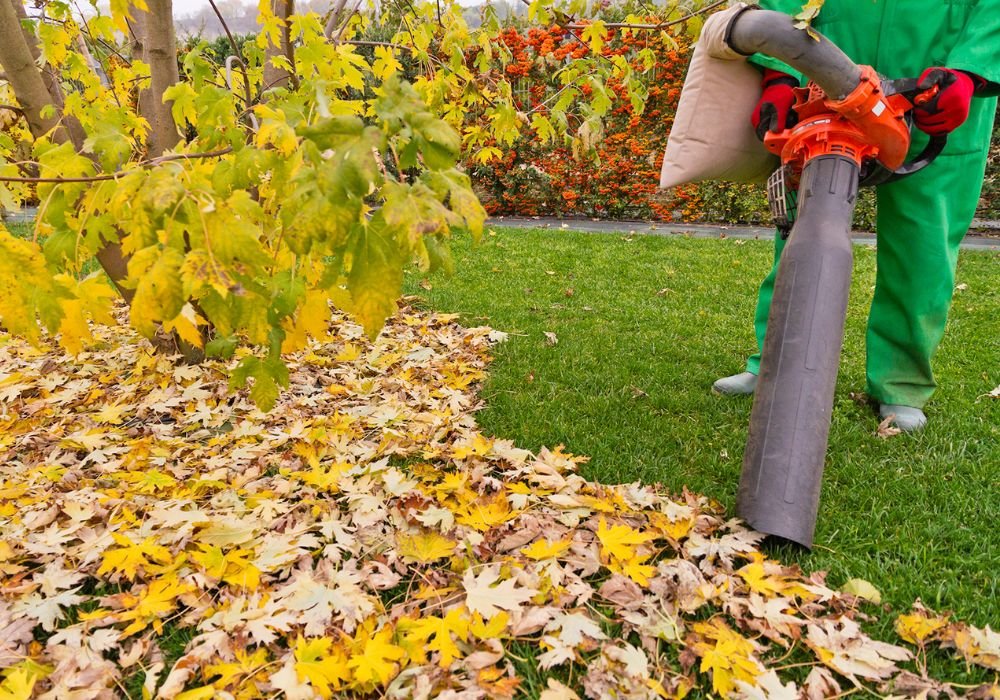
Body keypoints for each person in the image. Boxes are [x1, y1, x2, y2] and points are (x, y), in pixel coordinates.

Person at [713, 0, 999, 431]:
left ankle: (899, 384)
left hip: (938, 93)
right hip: (830, 83)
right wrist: (779, 74)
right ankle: (773, 363)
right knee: (801, 232)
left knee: (922, 251)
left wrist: (969, 72)